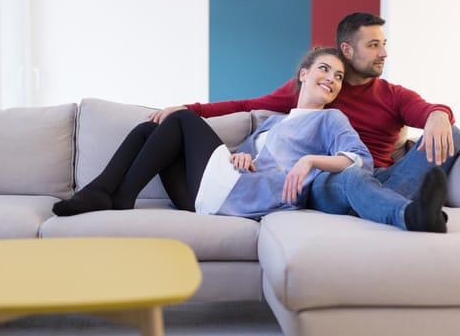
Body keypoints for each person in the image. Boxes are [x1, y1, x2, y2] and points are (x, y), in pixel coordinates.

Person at [149, 12, 460, 232]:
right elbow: (246, 105)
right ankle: (407, 210)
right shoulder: (318, 91)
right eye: (373, 45)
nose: (383, 52)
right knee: (351, 177)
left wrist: (438, 114)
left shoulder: (393, 95)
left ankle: (384, 203)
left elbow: (428, 110)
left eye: (383, 45)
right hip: (330, 179)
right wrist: (189, 109)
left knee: (454, 134)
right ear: (347, 49)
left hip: (383, 175)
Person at [52, 47, 373, 219]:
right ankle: (99, 191)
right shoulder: (274, 122)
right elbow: (241, 158)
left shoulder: (331, 119)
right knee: (148, 128)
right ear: (304, 74)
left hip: (244, 196)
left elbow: (361, 161)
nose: (332, 78)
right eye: (324, 69)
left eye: (339, 76)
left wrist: (310, 161)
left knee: (182, 120)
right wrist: (241, 154)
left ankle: (122, 196)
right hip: (203, 197)